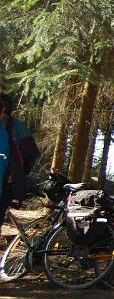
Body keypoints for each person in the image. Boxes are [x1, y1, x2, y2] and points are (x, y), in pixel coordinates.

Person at [0, 92, 41, 239]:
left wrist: (19, 173)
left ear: (4, 108)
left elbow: (31, 153)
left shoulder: (16, 127)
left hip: (7, 182)